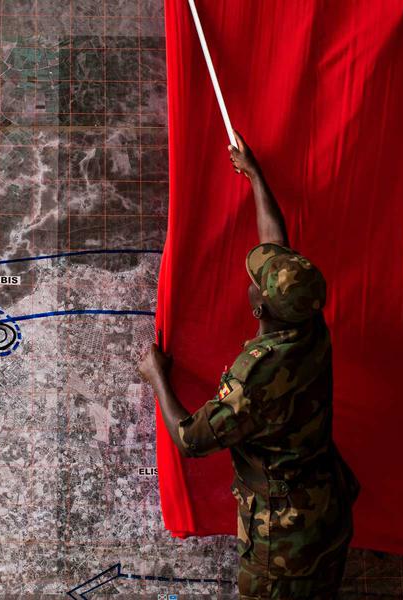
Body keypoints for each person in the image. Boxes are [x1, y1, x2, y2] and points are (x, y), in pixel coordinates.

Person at [138, 130, 360, 599]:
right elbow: (277, 245)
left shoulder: (256, 376)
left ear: (260, 308)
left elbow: (192, 439)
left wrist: (156, 377)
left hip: (283, 535)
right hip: (328, 509)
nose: (253, 280)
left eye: (256, 282)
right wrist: (255, 175)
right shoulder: (310, 326)